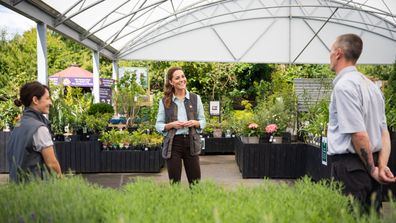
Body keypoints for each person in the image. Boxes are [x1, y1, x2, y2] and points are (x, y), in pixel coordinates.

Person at [327, 33, 396, 213]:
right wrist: (381, 166)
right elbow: (384, 133)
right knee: (372, 216)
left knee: (351, 216)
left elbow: (358, 134)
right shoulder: (372, 87)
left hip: (351, 169)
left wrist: (373, 169)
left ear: (338, 53)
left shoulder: (344, 87)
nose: (329, 56)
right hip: (370, 167)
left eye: (330, 51)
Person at [155, 67, 206, 184]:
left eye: (183, 76)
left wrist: (195, 123)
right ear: (171, 82)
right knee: (175, 183)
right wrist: (170, 125)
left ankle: (196, 203)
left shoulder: (195, 98)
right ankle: (176, 202)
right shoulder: (164, 101)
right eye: (177, 78)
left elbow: (203, 121)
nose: (182, 80)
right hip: (173, 144)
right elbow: (158, 125)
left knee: (195, 183)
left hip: (191, 142)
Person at [7, 81, 62, 183]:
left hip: (17, 190)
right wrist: (63, 184)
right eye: (47, 98)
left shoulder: (19, 125)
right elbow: (52, 164)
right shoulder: (39, 128)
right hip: (35, 191)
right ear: (35, 100)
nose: (50, 103)